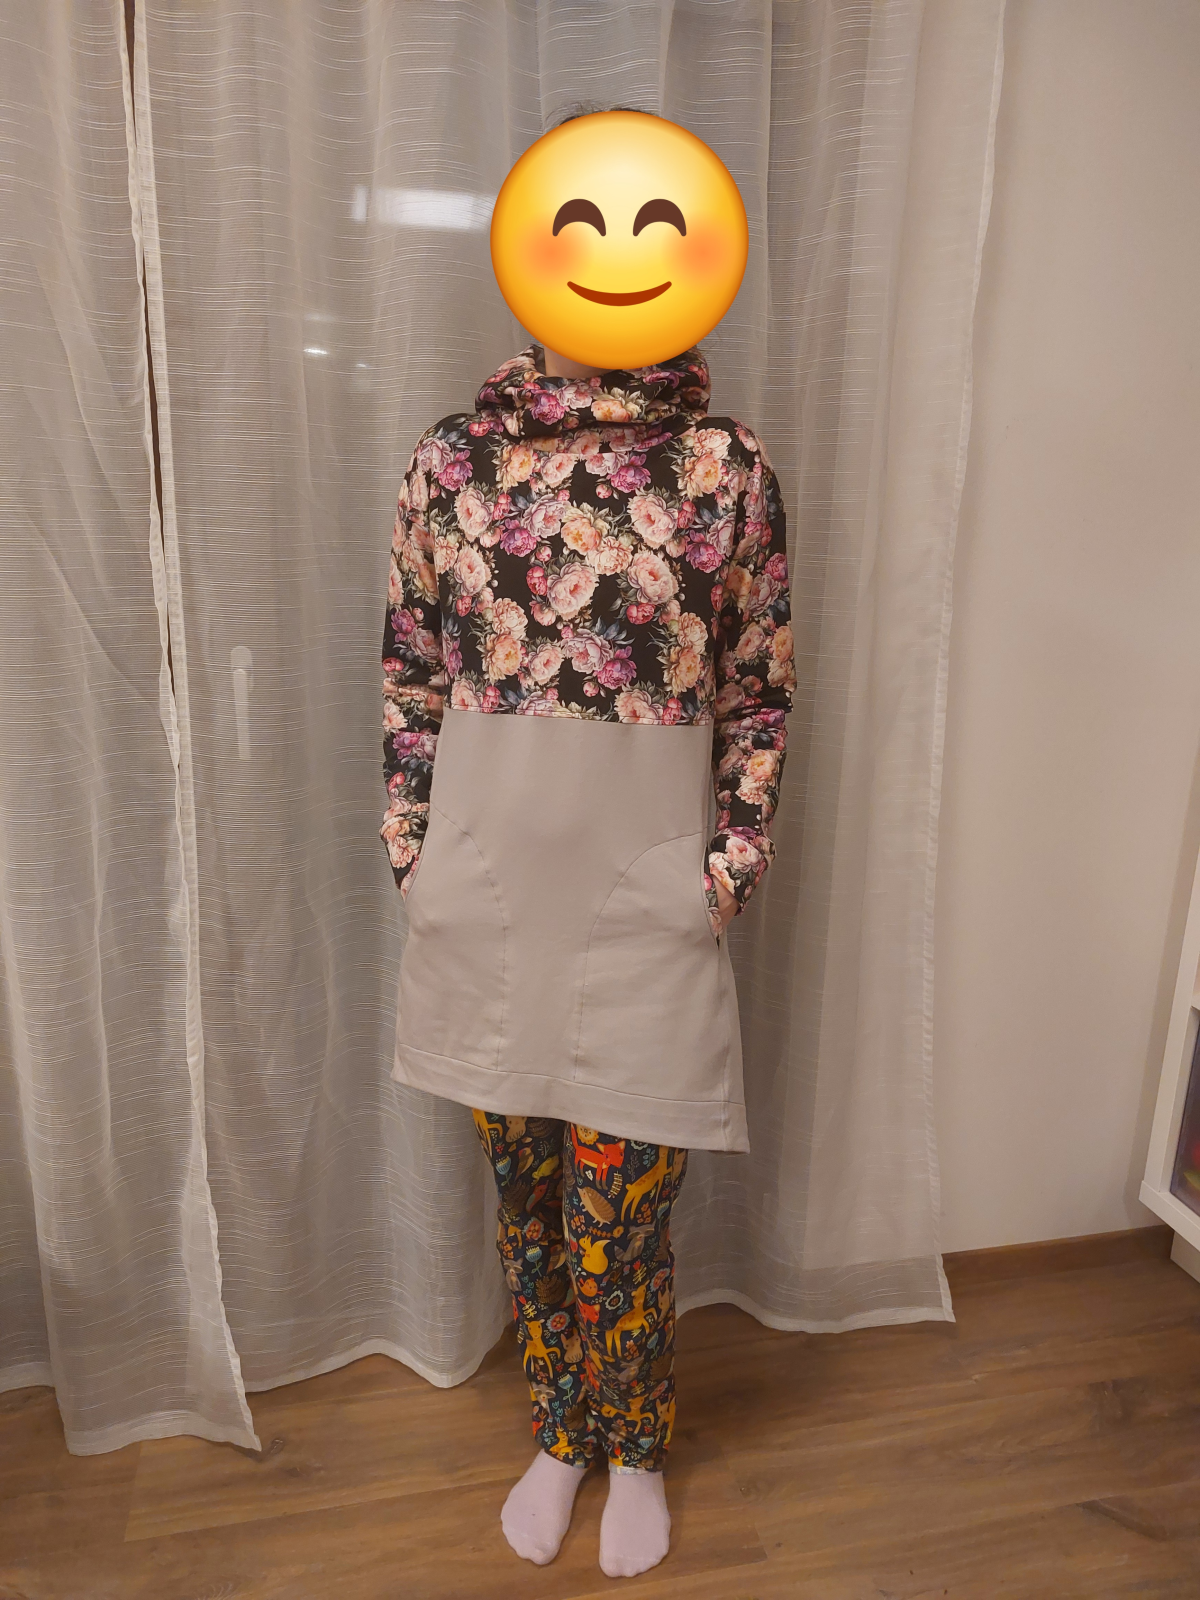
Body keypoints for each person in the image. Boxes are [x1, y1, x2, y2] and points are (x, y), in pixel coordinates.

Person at [380, 335, 793, 1577]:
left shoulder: (723, 468)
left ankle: (639, 1447)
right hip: (487, 894)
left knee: (622, 1218)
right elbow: (411, 676)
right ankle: (563, 1430)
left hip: (642, 899)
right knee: (529, 1207)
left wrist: (726, 869)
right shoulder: (452, 462)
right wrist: (413, 851)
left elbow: (758, 689)